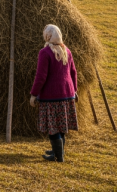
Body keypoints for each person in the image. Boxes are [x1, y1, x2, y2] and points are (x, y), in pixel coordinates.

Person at [30, 24, 78, 162]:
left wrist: (33, 94)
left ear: (48, 36)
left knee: (53, 127)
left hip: (52, 95)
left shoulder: (45, 52)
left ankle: (58, 156)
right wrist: (75, 90)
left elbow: (41, 77)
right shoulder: (66, 51)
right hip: (67, 94)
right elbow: (73, 72)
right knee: (61, 125)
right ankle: (58, 151)